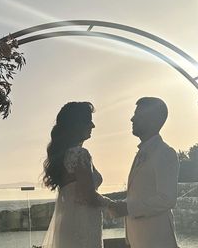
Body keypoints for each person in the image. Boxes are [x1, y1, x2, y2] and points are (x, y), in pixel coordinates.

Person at [109, 97, 179, 248]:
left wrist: (127, 208)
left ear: (153, 120)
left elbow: (167, 199)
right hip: (139, 240)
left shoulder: (165, 153)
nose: (132, 118)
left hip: (157, 240)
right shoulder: (144, 152)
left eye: (138, 115)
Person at [42, 101, 110, 248]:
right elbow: (87, 195)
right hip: (83, 223)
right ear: (77, 124)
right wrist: (114, 205)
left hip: (69, 222)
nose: (93, 126)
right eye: (89, 121)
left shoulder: (64, 155)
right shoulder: (79, 154)